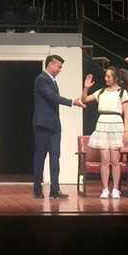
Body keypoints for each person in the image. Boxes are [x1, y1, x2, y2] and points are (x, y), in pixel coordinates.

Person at [32, 54, 86, 199]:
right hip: (43, 124)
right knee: (40, 157)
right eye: (59, 66)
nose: (60, 70)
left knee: (55, 158)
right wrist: (72, 102)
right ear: (50, 64)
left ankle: (55, 190)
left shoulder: (52, 80)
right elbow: (51, 96)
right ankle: (37, 189)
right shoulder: (41, 79)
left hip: (54, 125)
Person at [80, 66, 128, 198]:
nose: (106, 78)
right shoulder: (101, 92)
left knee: (115, 160)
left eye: (108, 76)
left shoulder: (122, 92)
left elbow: (126, 114)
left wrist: (126, 131)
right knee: (105, 160)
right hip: (102, 124)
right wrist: (86, 88)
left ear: (115, 78)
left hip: (116, 125)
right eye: (105, 76)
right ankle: (105, 189)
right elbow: (84, 100)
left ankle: (116, 189)